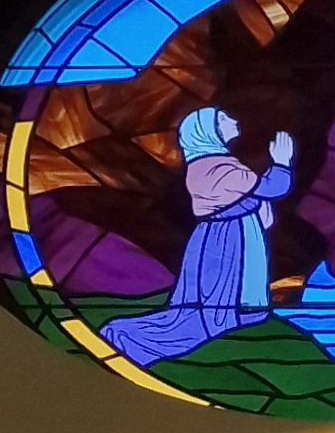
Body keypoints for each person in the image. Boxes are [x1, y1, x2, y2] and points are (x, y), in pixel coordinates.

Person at [101, 106, 293, 363]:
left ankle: (240, 316)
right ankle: (213, 323)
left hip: (230, 232)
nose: (233, 119)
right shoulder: (216, 168)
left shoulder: (211, 164)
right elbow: (271, 188)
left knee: (235, 284)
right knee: (221, 289)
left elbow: (255, 193)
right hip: (227, 238)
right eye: (223, 118)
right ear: (207, 130)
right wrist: (281, 162)